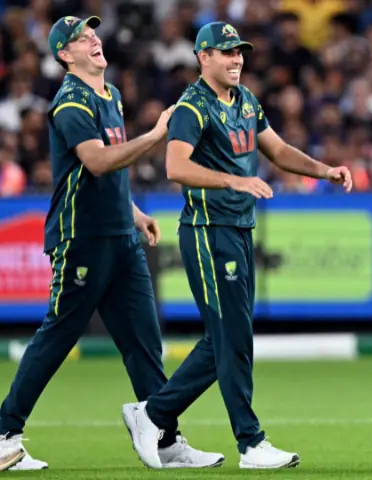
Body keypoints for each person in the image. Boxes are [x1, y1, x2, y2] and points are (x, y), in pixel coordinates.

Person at [122, 22, 353, 470]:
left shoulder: (246, 100)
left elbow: (279, 150)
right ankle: (250, 442)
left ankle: (152, 413)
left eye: (239, 52)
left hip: (238, 228)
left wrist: (325, 171)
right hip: (208, 231)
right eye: (225, 52)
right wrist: (235, 179)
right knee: (232, 339)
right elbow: (175, 166)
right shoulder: (192, 105)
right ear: (202, 57)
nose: (236, 59)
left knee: (228, 338)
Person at [0, 16, 222, 471]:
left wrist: (135, 213)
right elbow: (98, 161)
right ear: (65, 55)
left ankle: (164, 438)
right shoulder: (70, 102)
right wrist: (157, 135)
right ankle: (5, 432)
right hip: (82, 238)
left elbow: (112, 170)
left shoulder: (111, 94)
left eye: (93, 33)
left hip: (120, 234)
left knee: (145, 342)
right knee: (58, 335)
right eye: (81, 38)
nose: (93, 39)